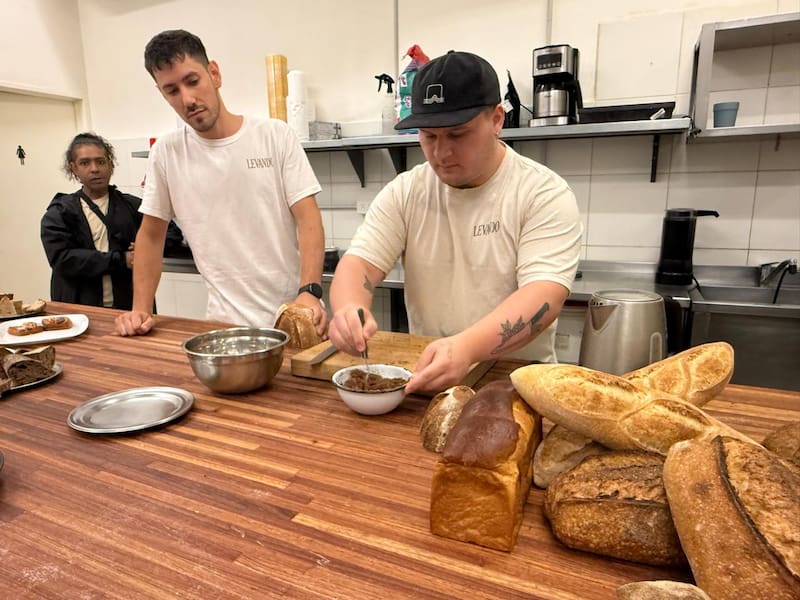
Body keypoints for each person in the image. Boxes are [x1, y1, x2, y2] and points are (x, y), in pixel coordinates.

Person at [328, 51, 582, 394]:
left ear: (496, 119)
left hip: (517, 384)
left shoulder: (541, 192)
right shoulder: (407, 191)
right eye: (429, 136)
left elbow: (542, 296)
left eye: (457, 134)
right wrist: (349, 308)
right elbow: (359, 263)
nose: (441, 152)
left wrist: (465, 348)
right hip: (431, 379)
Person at [114, 29, 327, 337]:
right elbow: (150, 235)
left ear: (214, 73)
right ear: (162, 94)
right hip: (223, 326)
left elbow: (308, 217)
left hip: (293, 317)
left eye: (192, 81)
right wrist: (140, 309)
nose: (187, 99)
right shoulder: (166, 152)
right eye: (172, 90)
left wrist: (310, 291)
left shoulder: (274, 135)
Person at [41, 132, 181, 309]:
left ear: (110, 164)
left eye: (100, 161)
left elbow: (172, 233)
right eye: (85, 163)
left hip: (130, 309)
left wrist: (145, 247)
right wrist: (122, 259)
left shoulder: (132, 205)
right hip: (80, 311)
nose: (94, 169)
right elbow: (63, 260)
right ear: (73, 168)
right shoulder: (60, 213)